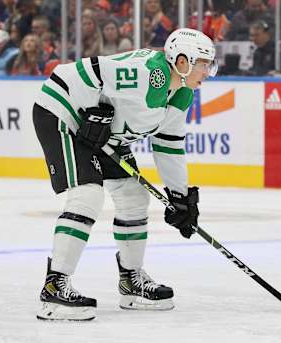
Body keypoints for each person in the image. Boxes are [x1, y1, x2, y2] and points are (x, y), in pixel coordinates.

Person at [32, 28, 217, 321]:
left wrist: (180, 197)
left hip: (106, 137)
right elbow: (85, 70)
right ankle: (54, 286)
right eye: (204, 63)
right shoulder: (148, 72)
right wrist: (94, 109)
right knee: (87, 196)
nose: (208, 71)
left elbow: (168, 146)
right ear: (182, 61)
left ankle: (131, 281)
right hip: (62, 113)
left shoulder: (182, 93)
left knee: (134, 198)